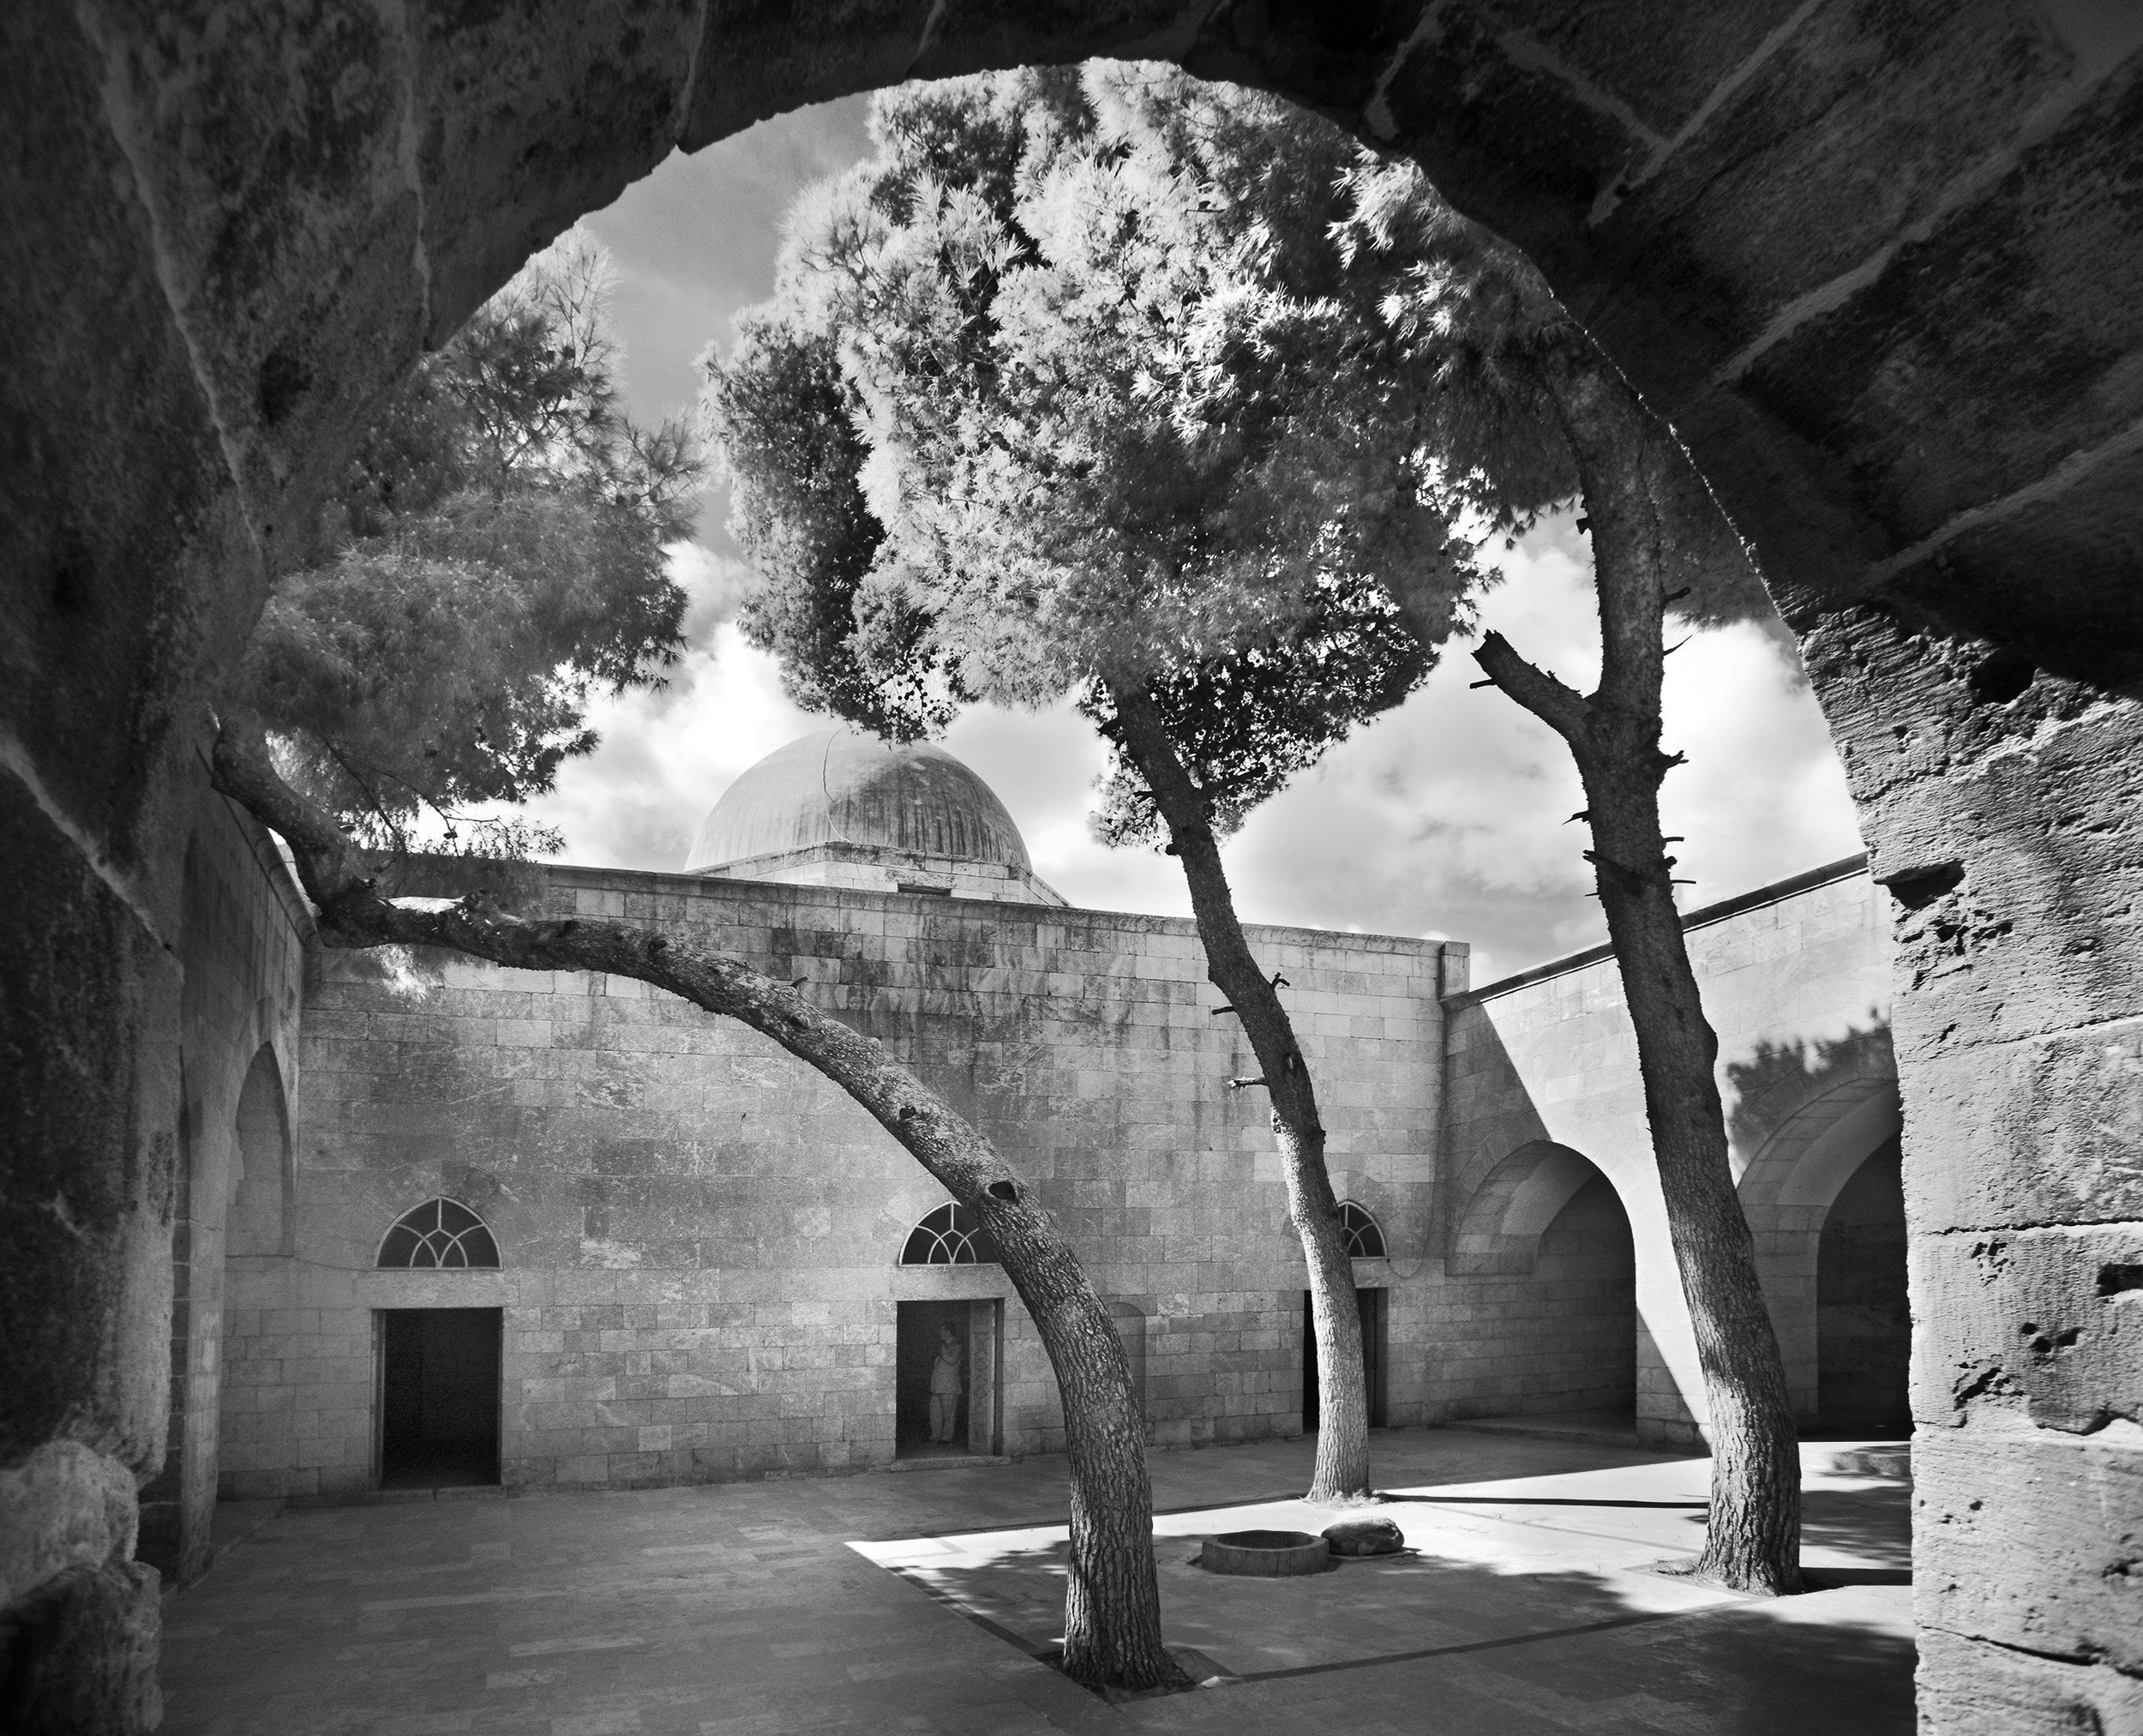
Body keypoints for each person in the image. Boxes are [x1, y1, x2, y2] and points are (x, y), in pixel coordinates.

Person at [929, 1324, 964, 1444]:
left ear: (948, 1332)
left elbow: (951, 1360)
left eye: (942, 1330)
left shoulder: (957, 1346)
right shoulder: (940, 1346)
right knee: (935, 1413)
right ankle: (936, 1436)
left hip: (950, 1386)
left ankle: (947, 1437)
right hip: (937, 1385)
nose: (940, 1333)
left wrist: (943, 1348)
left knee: (949, 1413)